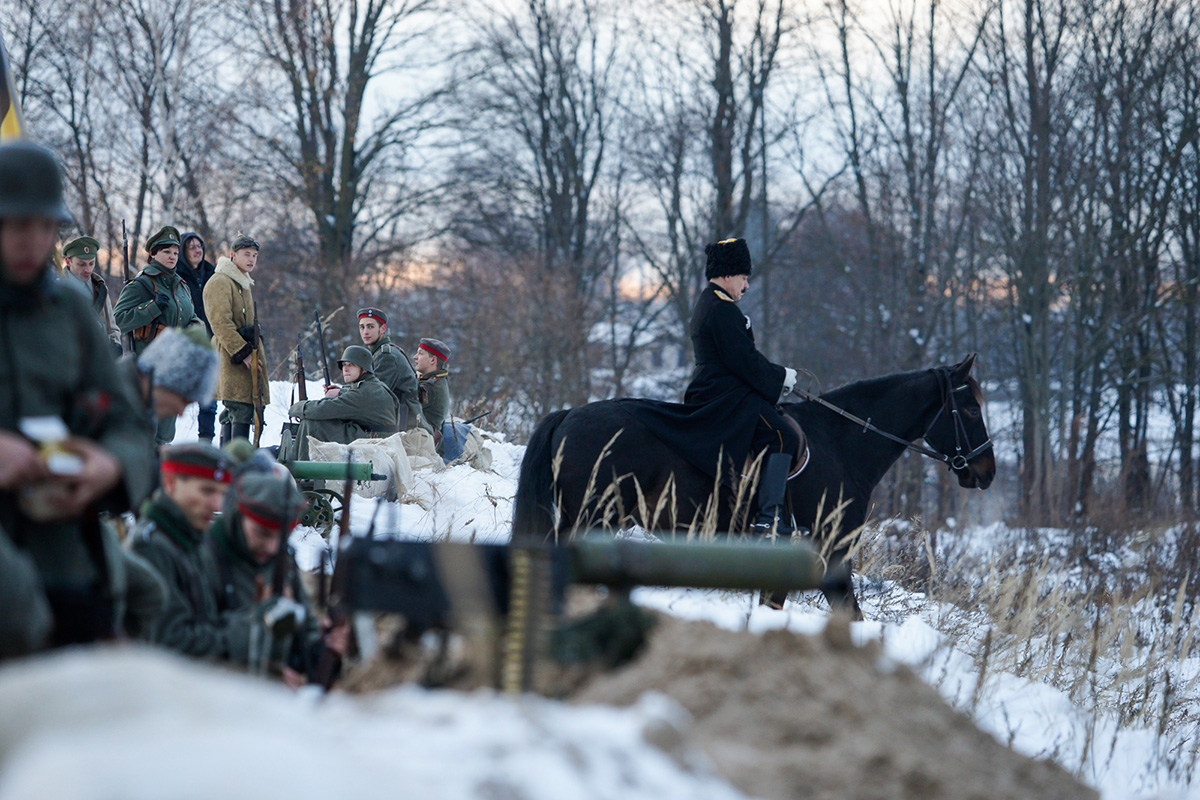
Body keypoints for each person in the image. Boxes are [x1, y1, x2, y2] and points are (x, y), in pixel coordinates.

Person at [0, 140, 158, 646]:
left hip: (69, 562)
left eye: (45, 226)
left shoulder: (71, 315)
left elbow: (128, 424)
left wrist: (110, 464)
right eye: (18, 225)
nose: (34, 240)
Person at [205, 456, 347, 685]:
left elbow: (305, 643)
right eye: (262, 533)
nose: (272, 547)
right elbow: (190, 649)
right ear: (238, 514)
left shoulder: (283, 559)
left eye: (281, 537)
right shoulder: (204, 558)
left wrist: (326, 650)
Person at [126, 442, 233, 657]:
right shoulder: (151, 547)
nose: (217, 505)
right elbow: (171, 642)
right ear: (170, 482)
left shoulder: (192, 540)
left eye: (222, 494)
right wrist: (237, 637)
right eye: (207, 490)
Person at [113, 225, 202, 446]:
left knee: (165, 433)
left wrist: (197, 330)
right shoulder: (141, 284)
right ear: (153, 253)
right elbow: (119, 320)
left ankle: (161, 476)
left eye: (175, 252)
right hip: (148, 367)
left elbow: (192, 317)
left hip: (174, 366)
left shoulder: (181, 285)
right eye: (166, 252)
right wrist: (152, 308)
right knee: (146, 432)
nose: (172, 256)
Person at [203, 234, 268, 445]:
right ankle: (232, 466)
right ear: (233, 255)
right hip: (231, 356)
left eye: (255, 255)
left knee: (241, 408)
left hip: (242, 353)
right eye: (246, 254)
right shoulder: (220, 281)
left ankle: (231, 464)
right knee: (239, 407)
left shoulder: (241, 281)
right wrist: (243, 353)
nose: (251, 259)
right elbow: (220, 323)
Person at [285, 345, 399, 460]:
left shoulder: (362, 393)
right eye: (344, 365)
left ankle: (302, 470)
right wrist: (341, 391)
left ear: (364, 369)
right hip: (378, 435)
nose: (345, 369)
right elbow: (353, 396)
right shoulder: (374, 384)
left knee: (312, 424)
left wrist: (299, 407)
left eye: (351, 365)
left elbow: (324, 409)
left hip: (373, 439)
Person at [118, 326, 220, 431]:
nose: (181, 412)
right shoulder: (106, 402)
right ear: (164, 374)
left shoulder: (136, 412)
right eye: (183, 399)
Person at [357, 307, 426, 433]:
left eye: (370, 327)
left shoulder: (386, 356)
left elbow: (372, 395)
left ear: (382, 329)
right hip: (399, 424)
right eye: (362, 327)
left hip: (408, 430)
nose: (365, 332)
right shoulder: (381, 352)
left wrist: (340, 394)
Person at [179, 232, 218, 443]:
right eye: (191, 246)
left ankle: (206, 443)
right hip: (184, 343)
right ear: (184, 251)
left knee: (209, 398)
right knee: (174, 396)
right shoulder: (176, 276)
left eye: (199, 246)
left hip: (210, 342)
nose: (197, 250)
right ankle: (161, 442)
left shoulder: (212, 273)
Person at [60, 235, 120, 350]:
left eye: (91, 263)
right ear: (68, 262)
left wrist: (116, 345)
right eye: (81, 264)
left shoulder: (100, 287)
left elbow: (112, 327)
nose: (88, 270)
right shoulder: (57, 289)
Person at [414, 338, 452, 453]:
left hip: (424, 445)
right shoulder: (437, 381)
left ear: (433, 360)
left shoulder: (430, 388)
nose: (415, 357)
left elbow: (407, 404)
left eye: (420, 353)